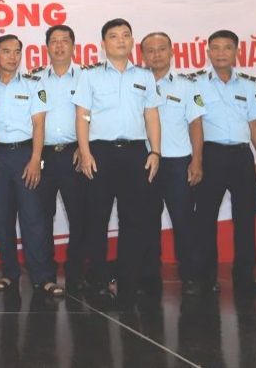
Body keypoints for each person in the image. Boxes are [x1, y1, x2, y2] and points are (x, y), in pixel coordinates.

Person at [73, 18, 162, 302]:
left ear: (132, 41)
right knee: (96, 220)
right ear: (103, 44)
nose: (121, 40)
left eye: (126, 35)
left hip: (136, 154)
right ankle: (98, 281)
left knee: (133, 220)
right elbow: (82, 116)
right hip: (100, 153)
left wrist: (155, 152)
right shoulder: (90, 76)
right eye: (114, 36)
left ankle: (128, 282)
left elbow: (151, 115)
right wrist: (85, 152)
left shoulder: (145, 77)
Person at [192, 29, 256, 295]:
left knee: (245, 220)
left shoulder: (249, 85)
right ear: (208, 52)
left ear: (236, 51)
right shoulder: (196, 83)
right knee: (205, 220)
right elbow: (194, 124)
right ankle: (205, 278)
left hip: (241, 157)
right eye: (215, 48)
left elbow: (254, 122)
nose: (221, 53)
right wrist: (196, 160)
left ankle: (245, 280)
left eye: (227, 47)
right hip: (210, 156)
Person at [0, 34, 63, 296]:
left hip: (25, 155)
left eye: (17, 51)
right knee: (4, 219)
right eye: (6, 51)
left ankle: (43, 277)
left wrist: (35, 160)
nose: (12, 57)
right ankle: (9, 273)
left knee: (33, 219)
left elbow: (39, 125)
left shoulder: (33, 84)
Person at [140, 32, 206, 296]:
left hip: (178, 163)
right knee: (146, 223)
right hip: (145, 162)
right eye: (150, 50)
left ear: (172, 52)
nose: (156, 54)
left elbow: (196, 124)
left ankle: (191, 276)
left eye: (161, 49)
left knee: (183, 222)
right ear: (142, 55)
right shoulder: (136, 83)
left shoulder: (187, 86)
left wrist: (197, 161)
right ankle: (148, 277)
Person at [35, 24, 92, 294]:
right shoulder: (35, 79)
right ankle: (46, 273)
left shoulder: (86, 77)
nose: (59, 46)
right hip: (43, 156)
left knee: (80, 216)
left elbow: (94, 114)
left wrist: (84, 145)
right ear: (47, 47)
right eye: (54, 41)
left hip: (74, 154)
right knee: (41, 218)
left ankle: (75, 273)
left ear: (73, 46)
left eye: (64, 41)